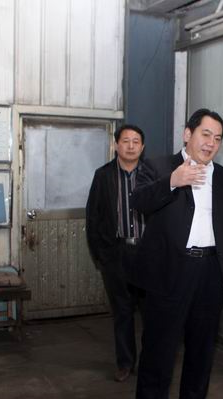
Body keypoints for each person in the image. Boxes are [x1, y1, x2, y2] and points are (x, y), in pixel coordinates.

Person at [131, 109, 223, 399]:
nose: (211, 143)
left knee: (202, 349)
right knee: (159, 348)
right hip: (169, 271)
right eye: (205, 134)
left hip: (209, 271)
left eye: (217, 138)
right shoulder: (159, 167)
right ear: (187, 134)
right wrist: (172, 182)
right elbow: (139, 201)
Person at [86, 124, 150, 382]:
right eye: (125, 141)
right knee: (122, 311)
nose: (131, 146)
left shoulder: (152, 175)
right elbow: (93, 217)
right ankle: (125, 363)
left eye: (136, 141)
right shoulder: (103, 176)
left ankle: (150, 363)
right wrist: (101, 256)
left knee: (150, 313)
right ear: (116, 145)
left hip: (147, 254)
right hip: (117, 253)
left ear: (142, 147)